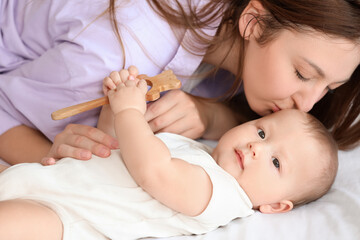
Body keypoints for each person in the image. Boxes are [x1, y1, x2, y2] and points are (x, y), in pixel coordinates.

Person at [0, 0, 359, 165]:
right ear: (254, 23)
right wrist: (46, 158)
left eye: (329, 87)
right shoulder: (120, 54)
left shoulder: (242, 53)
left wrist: (212, 115)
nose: (308, 103)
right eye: (304, 75)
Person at [0, 74, 338, 240]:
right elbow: (116, 146)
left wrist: (131, 111)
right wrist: (117, 102)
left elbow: (153, 171)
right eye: (262, 132)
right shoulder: (197, 150)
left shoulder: (221, 195)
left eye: (276, 162)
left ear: (276, 205)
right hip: (46, 181)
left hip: (65, 218)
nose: (257, 148)